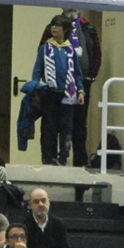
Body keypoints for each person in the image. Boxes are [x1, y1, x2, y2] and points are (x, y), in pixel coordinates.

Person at [32, 16, 84, 167]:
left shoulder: (71, 50)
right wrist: (35, 88)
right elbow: (37, 71)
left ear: (65, 29)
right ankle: (48, 158)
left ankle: (63, 158)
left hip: (68, 95)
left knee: (66, 128)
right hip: (49, 94)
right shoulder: (45, 48)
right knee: (49, 128)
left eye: (58, 25)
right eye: (52, 25)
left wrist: (80, 91)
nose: (54, 28)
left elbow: (77, 73)